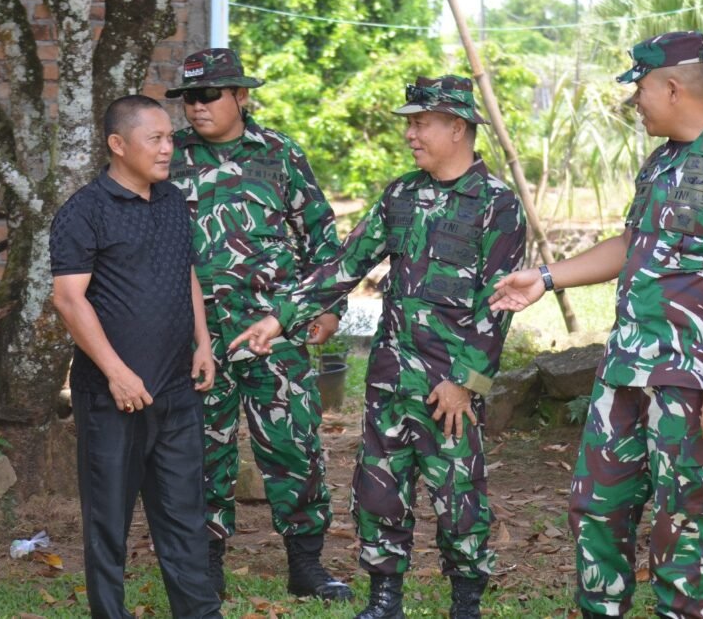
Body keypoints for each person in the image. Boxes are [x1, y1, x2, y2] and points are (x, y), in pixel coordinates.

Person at [489, 31, 703, 619]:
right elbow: (631, 244)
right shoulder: (661, 162)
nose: (635, 103)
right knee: (596, 506)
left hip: (689, 377)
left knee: (683, 517)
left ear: (672, 87)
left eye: (640, 89)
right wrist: (545, 278)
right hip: (624, 366)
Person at [232, 75, 527, 619]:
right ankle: (383, 599)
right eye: (409, 123)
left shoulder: (497, 204)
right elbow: (345, 265)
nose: (411, 133)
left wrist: (467, 383)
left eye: (421, 123)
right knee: (378, 493)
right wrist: (280, 319)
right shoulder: (401, 194)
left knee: (459, 501)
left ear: (457, 128)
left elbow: (499, 309)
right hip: (391, 376)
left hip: (451, 387)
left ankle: (466, 604)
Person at [164, 48, 352, 601]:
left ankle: (306, 564)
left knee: (294, 444)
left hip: (276, 332)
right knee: (201, 449)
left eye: (207, 96)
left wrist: (329, 307)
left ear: (241, 97)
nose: (194, 108)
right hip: (196, 335)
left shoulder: (280, 155)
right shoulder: (168, 158)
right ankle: (206, 565)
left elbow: (321, 234)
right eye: (187, 98)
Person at [50, 95, 222, 619]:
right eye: (156, 138)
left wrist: (204, 341)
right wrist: (117, 373)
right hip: (112, 397)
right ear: (118, 145)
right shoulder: (84, 212)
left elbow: (185, 271)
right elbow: (68, 299)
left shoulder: (172, 200)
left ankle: (199, 613)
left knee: (185, 517)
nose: (169, 147)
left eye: (170, 137)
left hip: (175, 389)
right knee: (108, 523)